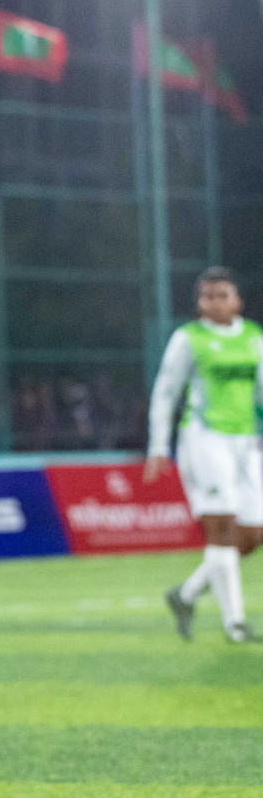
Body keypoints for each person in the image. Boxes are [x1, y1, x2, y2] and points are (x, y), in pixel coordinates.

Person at [146, 267, 263, 642]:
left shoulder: (253, 337)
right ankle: (235, 623)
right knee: (223, 529)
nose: (214, 302)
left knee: (252, 534)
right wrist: (158, 446)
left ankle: (185, 594)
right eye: (207, 296)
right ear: (199, 303)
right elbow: (166, 391)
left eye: (221, 295)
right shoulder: (189, 338)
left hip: (247, 442)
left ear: (237, 300)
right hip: (205, 439)